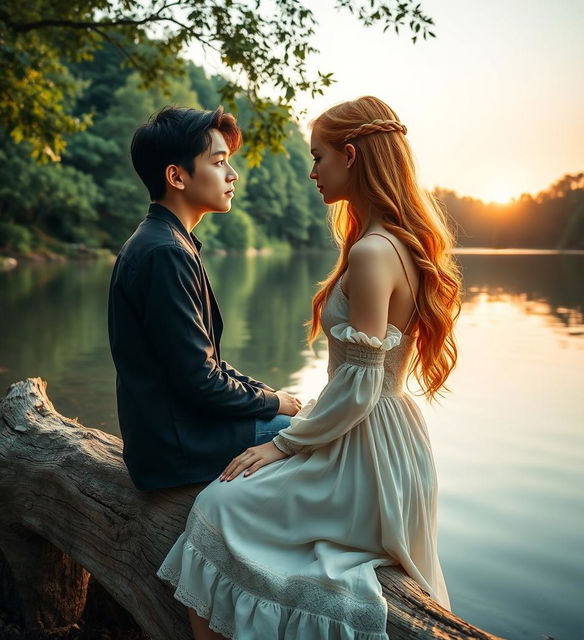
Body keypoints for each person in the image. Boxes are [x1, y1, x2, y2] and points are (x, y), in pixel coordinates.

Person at [157, 95, 463, 639]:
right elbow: (361, 384)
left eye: (318, 157)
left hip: (365, 447)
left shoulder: (373, 252)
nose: (312, 171)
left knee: (217, 507)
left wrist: (283, 444)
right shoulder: (392, 243)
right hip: (383, 436)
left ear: (351, 156)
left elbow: (362, 386)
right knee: (230, 499)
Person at [107, 105, 302, 491]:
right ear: (176, 176)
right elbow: (199, 380)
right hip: (177, 448)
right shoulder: (165, 252)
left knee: (304, 424)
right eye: (219, 162)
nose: (233, 174)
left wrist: (268, 394)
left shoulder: (168, 241)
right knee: (318, 438)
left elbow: (203, 363)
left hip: (179, 432)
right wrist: (273, 404)